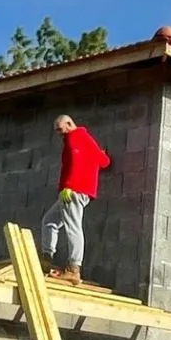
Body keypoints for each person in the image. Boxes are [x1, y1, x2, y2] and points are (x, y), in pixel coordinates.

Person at [42, 114, 110, 285]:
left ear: (69, 124)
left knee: (73, 227)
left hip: (73, 191)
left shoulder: (74, 137)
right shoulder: (87, 139)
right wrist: (100, 154)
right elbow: (104, 162)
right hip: (80, 190)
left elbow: (76, 162)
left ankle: (73, 269)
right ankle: (47, 258)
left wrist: (69, 186)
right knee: (49, 221)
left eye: (60, 129)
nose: (59, 134)